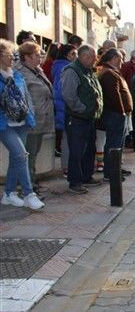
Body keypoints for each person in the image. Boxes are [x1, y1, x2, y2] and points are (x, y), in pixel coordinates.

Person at [0, 39, 44, 210]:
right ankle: (28, 194)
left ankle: (9, 193)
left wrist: (30, 117)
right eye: (9, 55)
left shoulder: (16, 75)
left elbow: (27, 98)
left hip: (22, 122)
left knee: (16, 157)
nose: (12, 58)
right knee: (21, 155)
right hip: (4, 125)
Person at [61, 44, 104, 194]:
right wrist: (83, 109)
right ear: (85, 56)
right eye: (93, 57)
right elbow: (69, 95)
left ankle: (86, 176)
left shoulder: (88, 71)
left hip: (89, 117)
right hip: (77, 118)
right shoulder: (72, 71)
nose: (95, 60)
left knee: (89, 148)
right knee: (77, 150)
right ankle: (75, 182)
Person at [15, 41, 55, 192]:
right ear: (27, 57)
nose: (40, 57)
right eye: (37, 55)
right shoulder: (20, 72)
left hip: (41, 119)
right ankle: (27, 187)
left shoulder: (37, 70)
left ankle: (30, 182)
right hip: (30, 120)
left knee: (33, 153)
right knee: (28, 154)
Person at [98, 48, 133, 181]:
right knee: (114, 144)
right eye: (121, 59)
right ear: (114, 59)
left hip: (118, 114)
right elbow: (113, 96)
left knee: (118, 144)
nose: (122, 61)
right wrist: (122, 111)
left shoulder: (113, 72)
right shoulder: (109, 74)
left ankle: (116, 168)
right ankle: (111, 172)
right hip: (115, 114)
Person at [52, 44, 78, 175]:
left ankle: (68, 165)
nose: (75, 56)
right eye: (73, 54)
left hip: (65, 106)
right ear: (66, 55)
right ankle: (67, 166)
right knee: (68, 139)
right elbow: (61, 90)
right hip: (65, 107)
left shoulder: (64, 66)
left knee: (68, 138)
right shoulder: (64, 68)